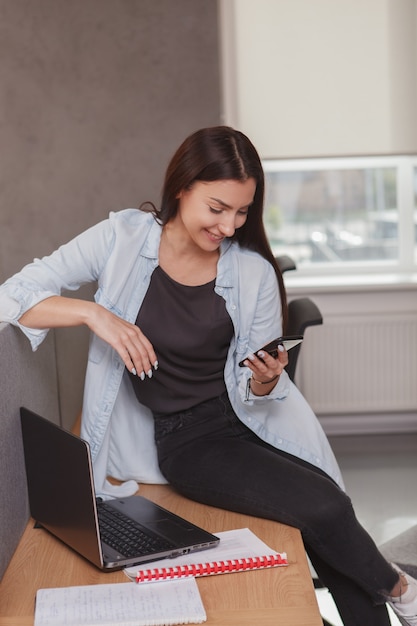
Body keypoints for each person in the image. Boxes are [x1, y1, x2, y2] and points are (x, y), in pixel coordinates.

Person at [0, 126, 416, 626]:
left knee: (327, 512)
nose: (229, 224)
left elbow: (253, 389)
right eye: (217, 208)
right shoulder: (122, 239)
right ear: (182, 187)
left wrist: (263, 379)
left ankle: (398, 602)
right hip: (191, 440)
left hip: (255, 422)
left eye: (241, 212)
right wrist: (97, 316)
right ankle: (403, 591)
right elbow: (16, 294)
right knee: (325, 509)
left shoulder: (252, 271)